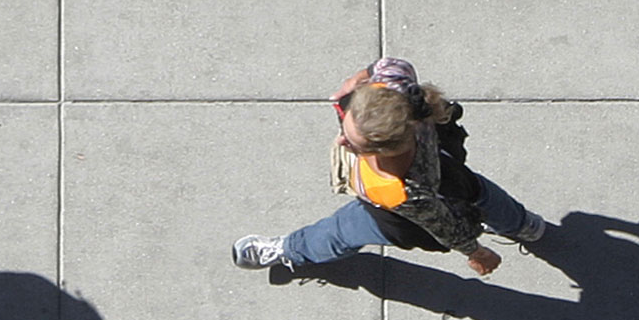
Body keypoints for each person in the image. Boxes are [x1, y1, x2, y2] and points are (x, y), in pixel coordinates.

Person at [231, 57, 547, 274]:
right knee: (482, 193)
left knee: (340, 231)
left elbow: (446, 227)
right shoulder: (394, 93)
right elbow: (394, 65)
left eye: (354, 144)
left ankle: (289, 249)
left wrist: (476, 253)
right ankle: (524, 226)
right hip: (449, 169)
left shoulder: (398, 190)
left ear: (386, 150)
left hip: (396, 217)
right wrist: (358, 78)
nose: (342, 142)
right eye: (346, 129)